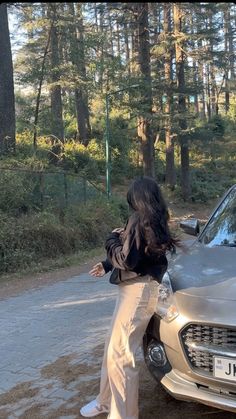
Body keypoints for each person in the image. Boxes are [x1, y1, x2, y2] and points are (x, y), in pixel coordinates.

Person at [80, 176, 178, 419]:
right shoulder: (154, 220)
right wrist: (106, 264)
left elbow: (126, 259)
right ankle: (104, 401)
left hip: (137, 293)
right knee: (112, 348)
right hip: (138, 292)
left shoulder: (138, 219)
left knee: (121, 355)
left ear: (138, 198)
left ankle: (123, 414)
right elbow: (136, 253)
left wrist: (110, 239)